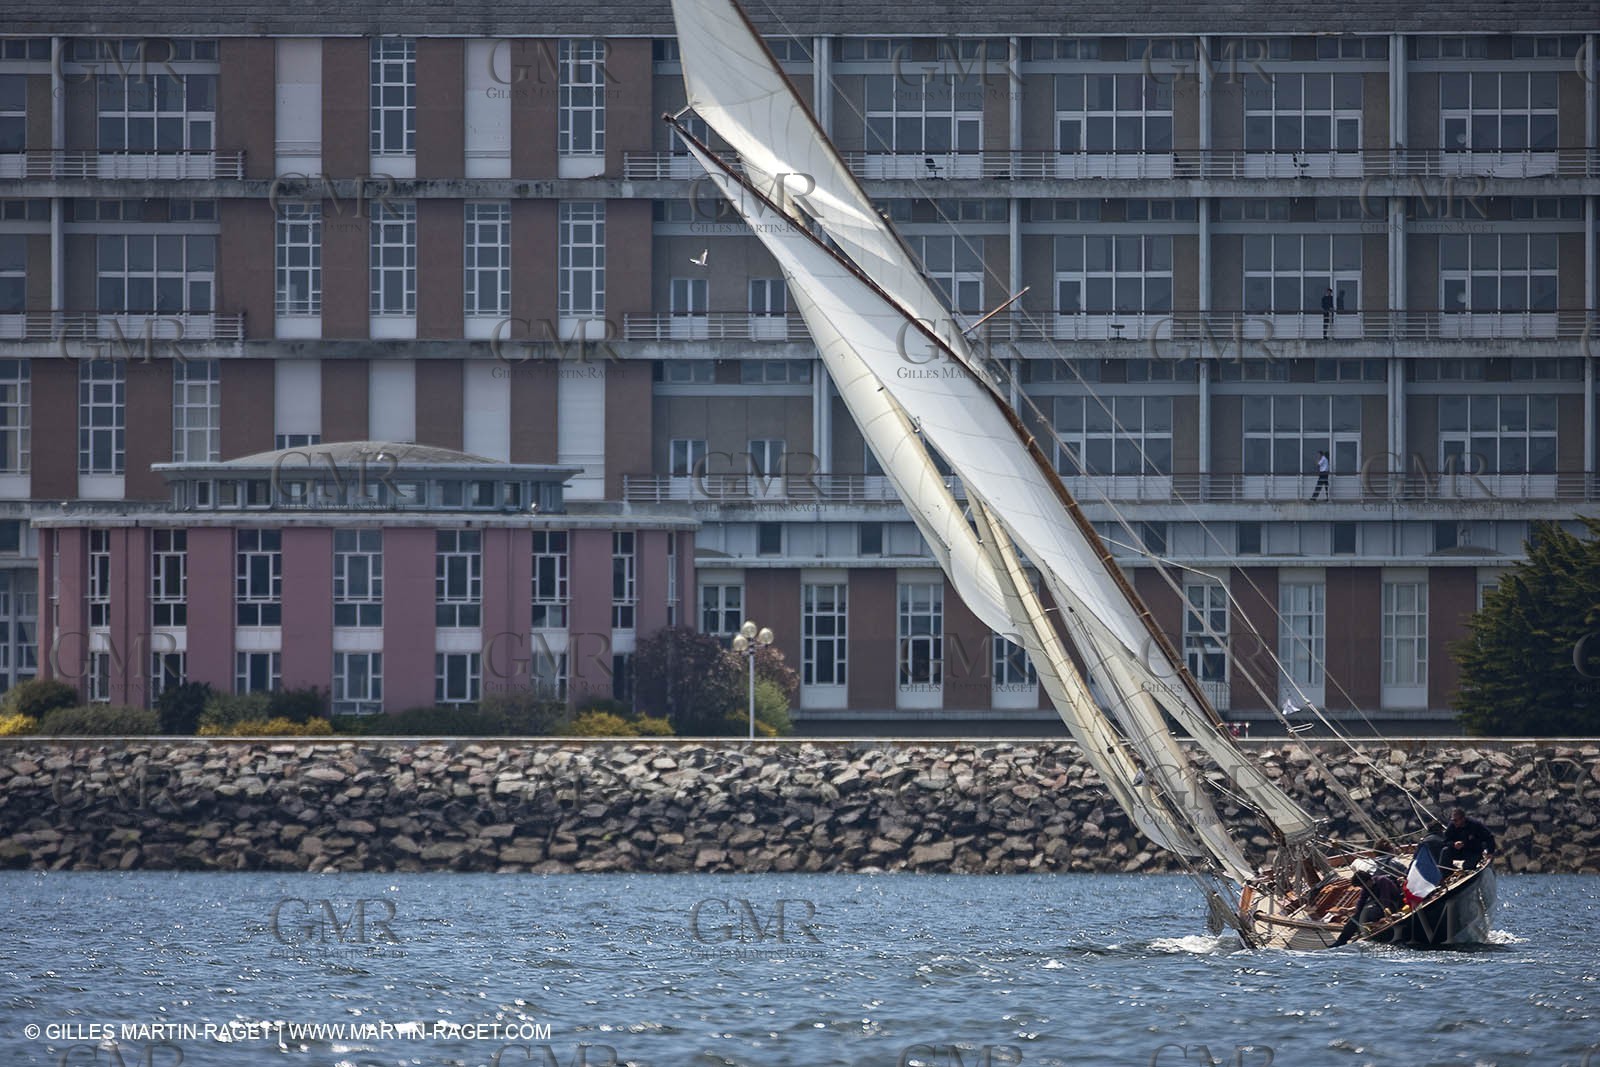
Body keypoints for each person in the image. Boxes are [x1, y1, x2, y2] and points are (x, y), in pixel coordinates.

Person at [1333, 859, 1404, 946]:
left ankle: (1361, 931)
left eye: (1362, 885)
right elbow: (1361, 902)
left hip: (1392, 905)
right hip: (1380, 906)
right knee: (1356, 918)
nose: (1363, 887)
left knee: (1367, 914)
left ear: (1368, 881)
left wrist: (1383, 916)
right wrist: (1351, 910)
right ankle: (1341, 940)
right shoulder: (1367, 887)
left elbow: (1385, 900)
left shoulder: (1382, 881)